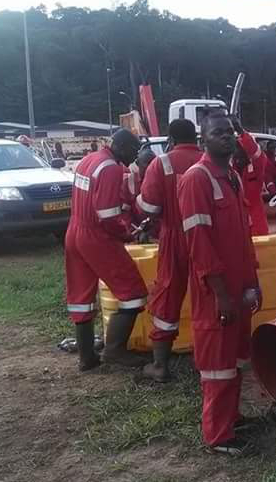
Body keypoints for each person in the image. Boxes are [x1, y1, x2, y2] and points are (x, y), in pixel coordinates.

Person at [178, 111, 262, 456]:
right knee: (217, 364)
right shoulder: (196, 180)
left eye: (229, 131)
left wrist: (253, 281)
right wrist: (221, 295)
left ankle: (232, 417)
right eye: (218, 132)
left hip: (240, 285)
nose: (227, 136)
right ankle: (217, 435)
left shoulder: (232, 177)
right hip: (217, 291)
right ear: (203, 140)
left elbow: (243, 236)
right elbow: (199, 243)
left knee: (236, 357)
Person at [65, 128, 148, 371]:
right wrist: (126, 233)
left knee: (81, 298)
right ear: (120, 147)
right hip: (96, 237)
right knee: (133, 292)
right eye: (133, 150)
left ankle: (87, 357)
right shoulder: (111, 168)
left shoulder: (88, 160)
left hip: (74, 231)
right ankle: (115, 350)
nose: (135, 156)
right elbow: (108, 215)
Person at [137, 119, 202, 382]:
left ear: (171, 140)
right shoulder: (210, 159)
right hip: (206, 238)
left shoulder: (161, 163)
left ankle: (160, 365)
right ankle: (208, 357)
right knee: (208, 297)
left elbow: (149, 207)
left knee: (168, 295)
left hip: (175, 237)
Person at [231, 117, 276, 236]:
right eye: (236, 153)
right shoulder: (227, 171)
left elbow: (255, 151)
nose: (239, 156)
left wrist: (240, 131)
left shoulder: (257, 166)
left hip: (257, 225)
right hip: (236, 226)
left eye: (242, 152)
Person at [121, 148, 156, 230]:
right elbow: (125, 213)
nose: (150, 167)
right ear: (138, 163)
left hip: (155, 230)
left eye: (153, 163)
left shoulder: (158, 181)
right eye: (147, 163)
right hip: (135, 230)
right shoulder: (128, 181)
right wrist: (136, 230)